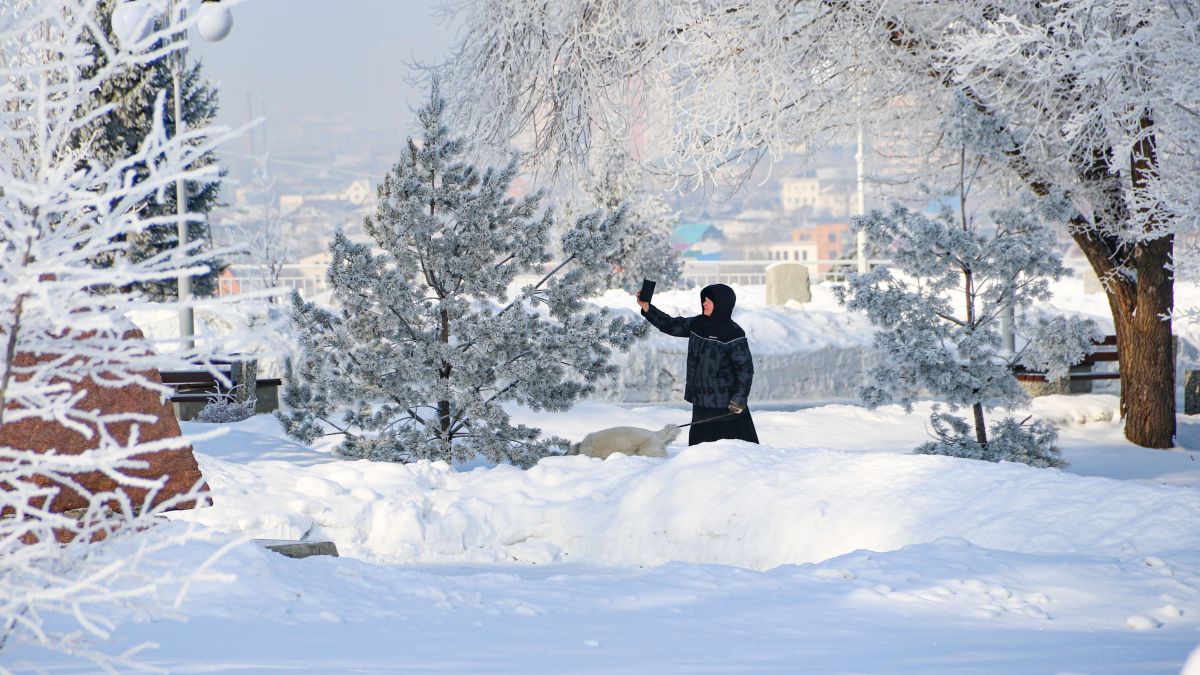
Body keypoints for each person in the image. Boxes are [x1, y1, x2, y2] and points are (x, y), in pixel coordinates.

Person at [636, 283, 759, 446]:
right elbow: (671, 325)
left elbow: (745, 371)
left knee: (737, 452)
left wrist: (738, 400)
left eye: (709, 301)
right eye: (704, 300)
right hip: (701, 401)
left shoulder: (733, 333)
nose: (704, 303)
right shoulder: (698, 324)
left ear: (722, 304)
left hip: (726, 408)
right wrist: (647, 308)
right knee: (699, 453)